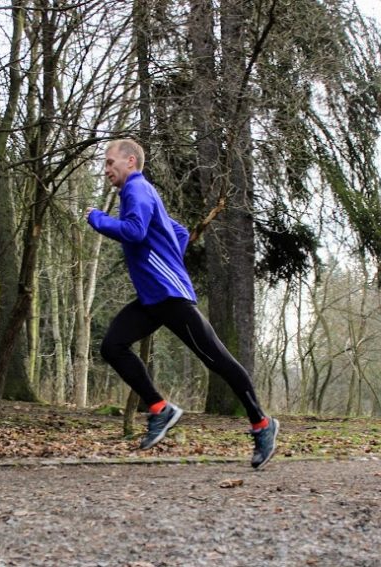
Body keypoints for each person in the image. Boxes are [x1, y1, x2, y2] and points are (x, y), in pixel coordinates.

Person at [84, 139, 279, 469]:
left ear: (130, 161)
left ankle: (262, 423)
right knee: (112, 346)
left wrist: (98, 219)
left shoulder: (137, 190)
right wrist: (166, 255)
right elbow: (180, 231)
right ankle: (160, 409)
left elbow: (133, 232)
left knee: (217, 359)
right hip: (152, 296)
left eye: (109, 163)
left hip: (169, 294)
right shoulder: (139, 193)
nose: (106, 170)